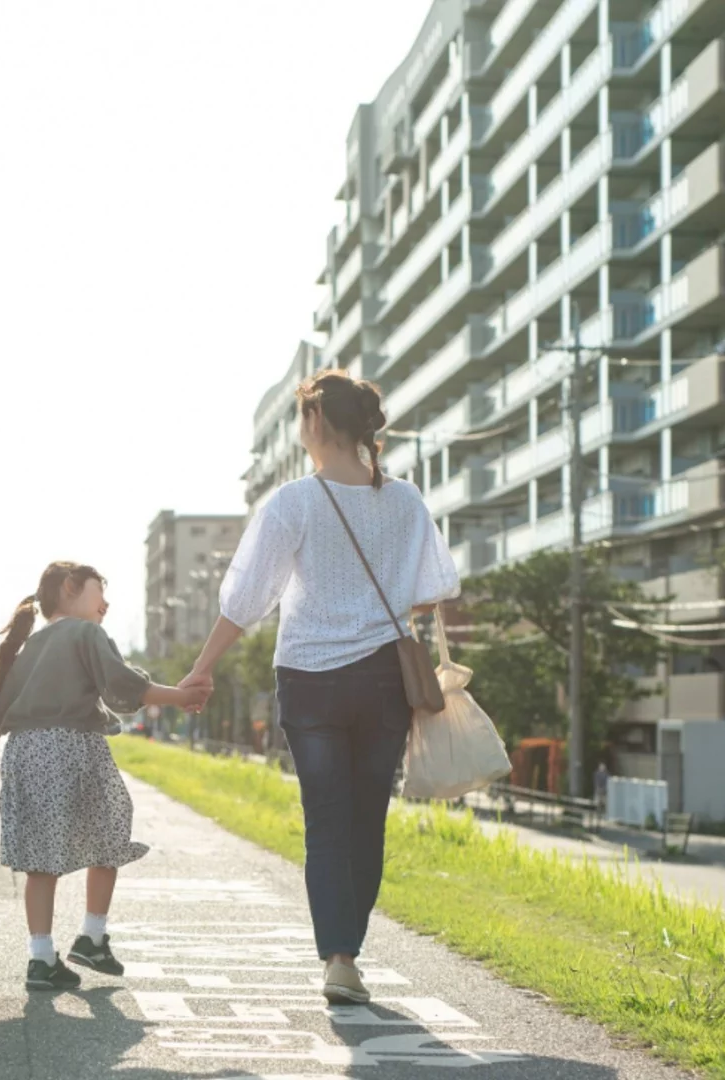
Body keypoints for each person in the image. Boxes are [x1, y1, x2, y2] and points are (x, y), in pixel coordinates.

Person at [178, 369, 459, 1006]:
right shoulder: (407, 501)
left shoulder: (293, 502)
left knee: (326, 820)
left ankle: (337, 958)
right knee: (367, 820)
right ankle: (348, 953)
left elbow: (248, 599)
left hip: (310, 679)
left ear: (315, 424)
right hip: (385, 677)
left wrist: (203, 666)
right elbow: (431, 587)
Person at [0, 562, 209, 991]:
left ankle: (41, 957)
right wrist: (178, 696)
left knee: (40, 859)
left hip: (25, 754)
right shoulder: (87, 635)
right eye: (98, 591)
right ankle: (93, 935)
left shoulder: (24, 649)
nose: (105, 603)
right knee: (109, 833)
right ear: (70, 588)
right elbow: (119, 683)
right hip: (71, 748)